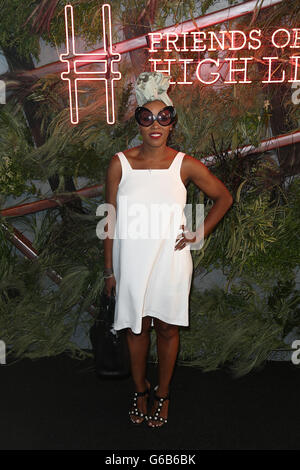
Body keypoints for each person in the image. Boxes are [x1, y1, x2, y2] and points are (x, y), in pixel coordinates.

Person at [103, 71, 233, 429]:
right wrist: (109, 271)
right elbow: (109, 220)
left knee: (167, 329)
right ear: (138, 122)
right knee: (136, 329)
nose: (155, 125)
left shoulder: (185, 164)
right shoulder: (120, 163)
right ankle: (139, 390)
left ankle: (163, 393)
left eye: (164, 117)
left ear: (172, 123)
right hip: (130, 260)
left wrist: (197, 233)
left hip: (171, 260)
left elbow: (223, 197)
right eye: (147, 117)